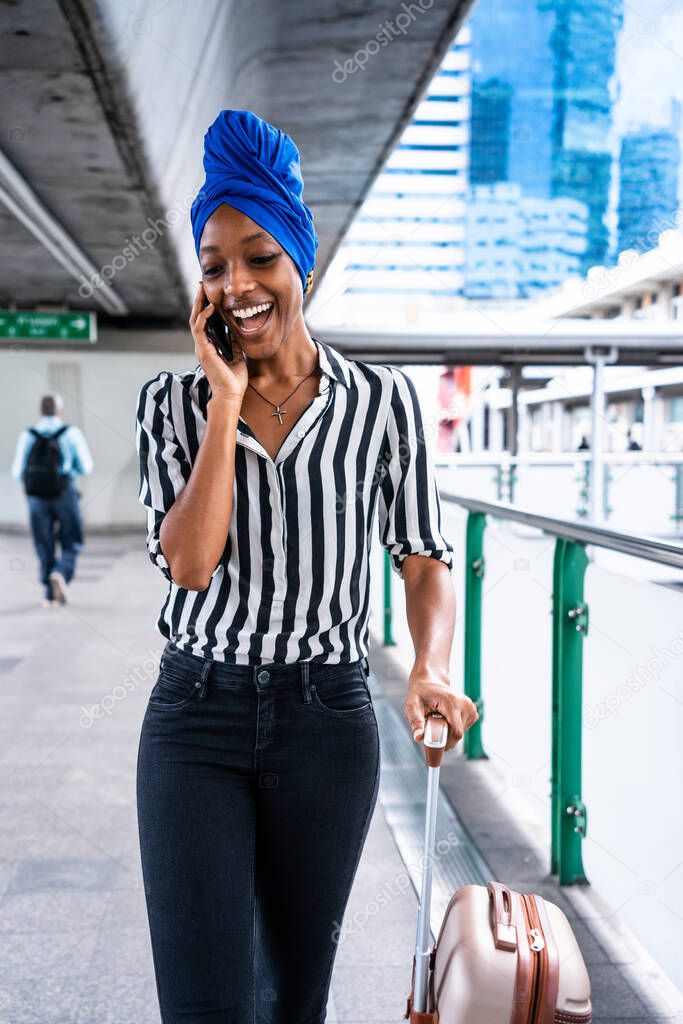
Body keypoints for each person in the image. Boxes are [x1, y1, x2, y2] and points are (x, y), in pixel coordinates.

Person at [135, 109, 479, 1024]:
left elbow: (421, 553)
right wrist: (224, 404)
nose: (236, 283)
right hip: (194, 719)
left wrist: (432, 666)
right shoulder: (171, 405)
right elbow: (193, 565)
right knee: (204, 1003)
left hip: (326, 721)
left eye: (258, 256)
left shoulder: (381, 405)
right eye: (213, 266)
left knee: (293, 998)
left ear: (303, 264)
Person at [11, 392, 93, 607]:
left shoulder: (28, 434)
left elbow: (18, 471)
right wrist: (67, 473)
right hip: (65, 493)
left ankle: (49, 595)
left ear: (40, 411)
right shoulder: (71, 433)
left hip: (36, 498)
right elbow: (86, 466)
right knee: (72, 540)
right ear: (60, 411)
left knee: (43, 543)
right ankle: (61, 573)